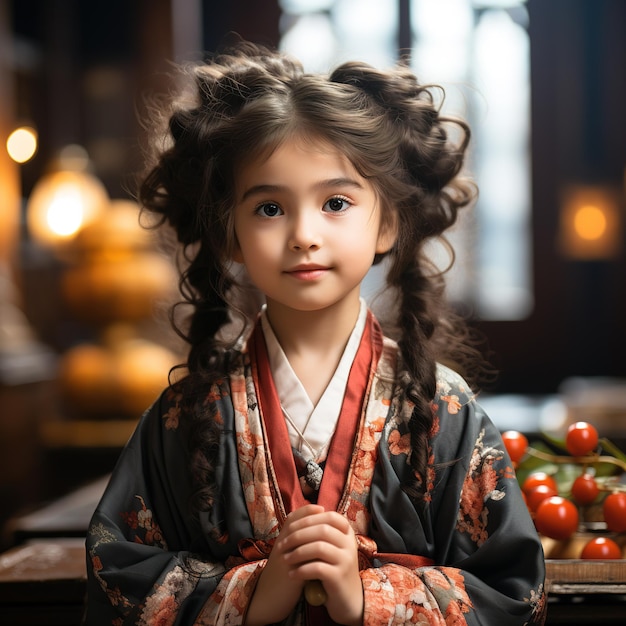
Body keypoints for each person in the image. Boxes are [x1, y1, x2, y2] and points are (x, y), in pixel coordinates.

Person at [84, 40, 546, 625]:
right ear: (230, 235)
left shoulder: (440, 409)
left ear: (388, 223)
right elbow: (117, 576)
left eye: (334, 202)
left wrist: (366, 600)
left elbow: (515, 594)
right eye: (269, 209)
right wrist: (254, 594)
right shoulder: (186, 414)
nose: (303, 233)